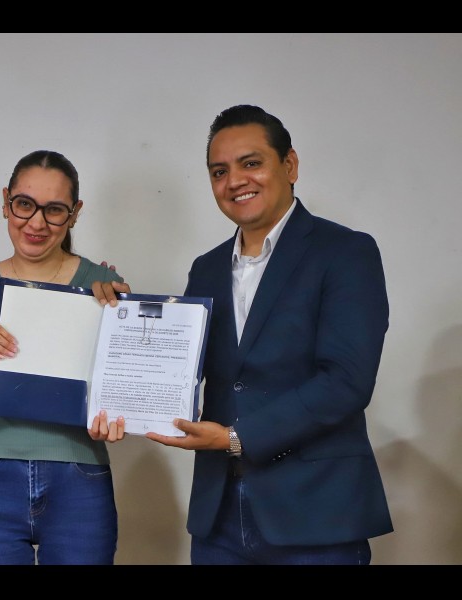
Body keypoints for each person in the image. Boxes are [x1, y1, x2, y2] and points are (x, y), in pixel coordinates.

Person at [94, 104, 392, 564]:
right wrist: (123, 316)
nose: (234, 181)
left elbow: (347, 382)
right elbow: (182, 370)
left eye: (250, 163)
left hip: (316, 514)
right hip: (218, 521)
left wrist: (236, 437)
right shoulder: (206, 268)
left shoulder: (345, 252)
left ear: (289, 165)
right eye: (219, 172)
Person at [0, 149, 125, 565]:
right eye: (24, 204)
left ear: (74, 214)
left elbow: (122, 394)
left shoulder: (104, 286)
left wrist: (121, 406)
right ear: (6, 202)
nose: (36, 223)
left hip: (80, 481)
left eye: (54, 210)